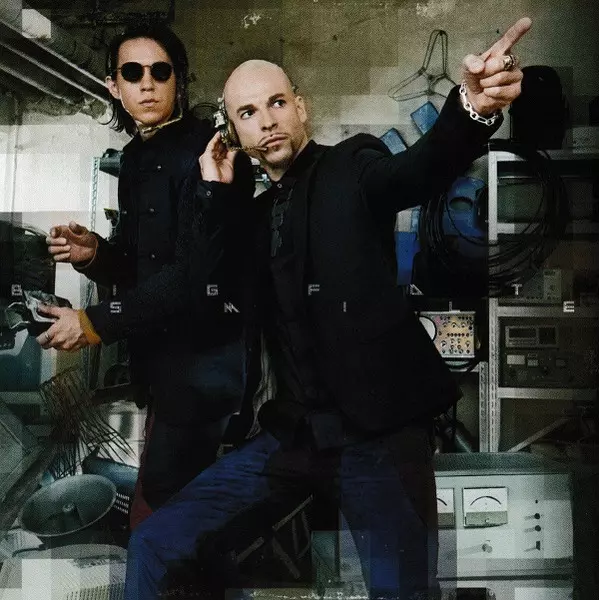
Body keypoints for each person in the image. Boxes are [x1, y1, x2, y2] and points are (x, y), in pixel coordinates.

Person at [125, 17, 531, 600]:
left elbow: (418, 168)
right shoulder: (253, 217)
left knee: (404, 594)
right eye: (248, 113)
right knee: (156, 543)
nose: (267, 121)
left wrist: (473, 109)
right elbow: (203, 286)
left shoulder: (352, 166)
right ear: (234, 133)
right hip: (293, 437)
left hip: (379, 436)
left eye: (277, 103)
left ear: (301, 107)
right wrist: (213, 191)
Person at [38, 23, 253, 529]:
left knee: (161, 512)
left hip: (203, 369)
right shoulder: (134, 159)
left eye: (161, 71)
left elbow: (193, 275)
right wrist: (95, 255)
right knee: (172, 508)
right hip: (159, 365)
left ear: (179, 79)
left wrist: (93, 322)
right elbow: (142, 268)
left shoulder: (212, 153)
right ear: (114, 86)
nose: (148, 84)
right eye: (132, 73)